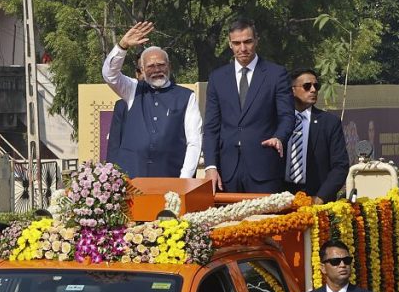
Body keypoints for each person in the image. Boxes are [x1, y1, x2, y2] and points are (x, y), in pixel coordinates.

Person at [202, 18, 294, 193]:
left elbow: (287, 116)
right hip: (226, 172)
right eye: (237, 43)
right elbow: (211, 127)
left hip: (264, 168)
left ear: (256, 41)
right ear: (230, 44)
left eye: (247, 42)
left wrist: (279, 137)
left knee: (265, 221)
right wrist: (210, 166)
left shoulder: (276, 74)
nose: (242, 48)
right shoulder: (217, 78)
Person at [101, 21, 202, 178]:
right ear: (142, 69)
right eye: (150, 66)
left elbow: (194, 141)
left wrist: (184, 180)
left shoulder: (186, 97)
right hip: (131, 179)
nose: (156, 70)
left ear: (169, 66)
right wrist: (122, 46)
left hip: (170, 178)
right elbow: (110, 75)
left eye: (161, 65)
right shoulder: (132, 90)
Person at [283, 69, 349, 204]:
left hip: (317, 199)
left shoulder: (330, 122)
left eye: (316, 86)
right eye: (307, 86)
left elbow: (340, 165)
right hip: (280, 198)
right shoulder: (276, 121)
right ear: (292, 90)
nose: (313, 90)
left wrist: (321, 197)